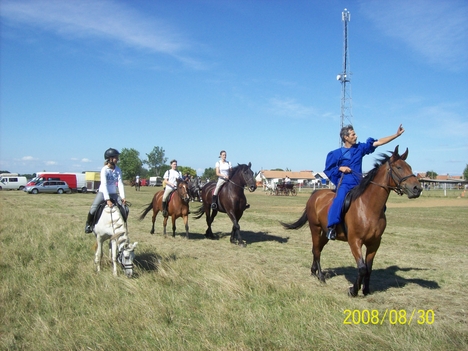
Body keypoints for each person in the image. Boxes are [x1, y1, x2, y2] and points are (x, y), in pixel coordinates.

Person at [324, 124, 405, 240]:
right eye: (353, 134)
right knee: (340, 199)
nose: (356, 136)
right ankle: (331, 227)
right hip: (346, 184)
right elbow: (329, 169)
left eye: (355, 134)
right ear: (346, 137)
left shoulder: (360, 148)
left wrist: (396, 135)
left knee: (378, 202)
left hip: (359, 184)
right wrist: (340, 168)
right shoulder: (336, 154)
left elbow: (379, 142)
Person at [85, 148, 127, 233]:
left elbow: (120, 183)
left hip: (114, 194)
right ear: (110, 159)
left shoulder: (118, 170)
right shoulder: (104, 170)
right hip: (103, 193)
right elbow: (104, 185)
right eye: (116, 157)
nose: (117, 159)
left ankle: (122, 225)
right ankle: (89, 224)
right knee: (93, 208)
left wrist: (123, 197)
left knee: (126, 209)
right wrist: (107, 199)